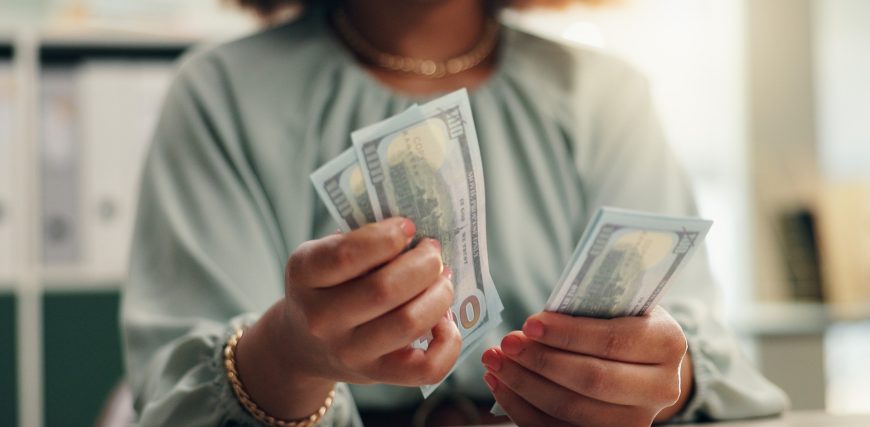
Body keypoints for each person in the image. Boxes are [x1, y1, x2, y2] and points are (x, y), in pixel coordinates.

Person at [121, 0, 789, 426]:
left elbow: (700, 348)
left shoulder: (605, 97)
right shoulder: (218, 95)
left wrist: (658, 381)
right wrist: (289, 355)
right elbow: (178, 398)